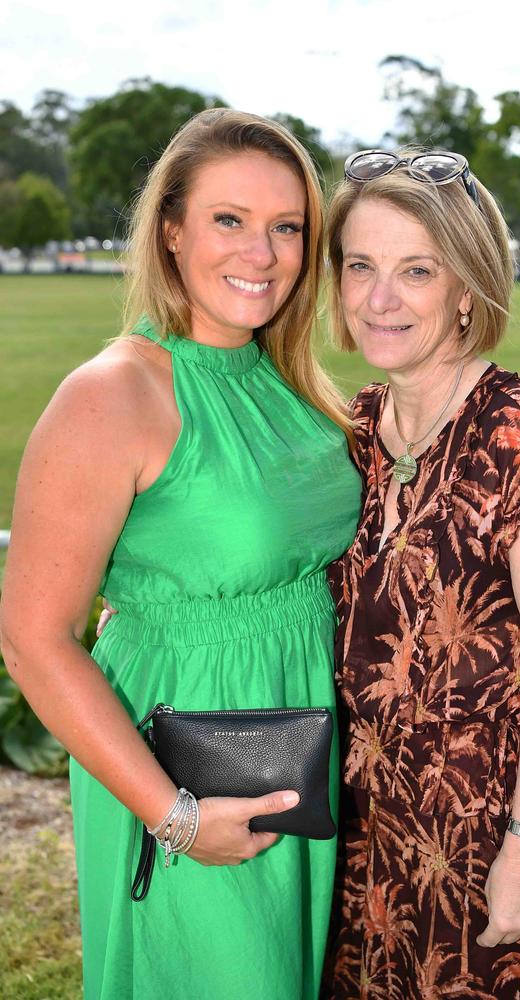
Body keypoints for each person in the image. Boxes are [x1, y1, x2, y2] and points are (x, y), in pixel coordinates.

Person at [0, 109, 361, 1000]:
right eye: (229, 220)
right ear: (170, 233)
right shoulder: (112, 394)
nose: (263, 252)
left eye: (287, 227)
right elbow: (32, 640)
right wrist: (176, 816)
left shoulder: (291, 387)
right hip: (191, 770)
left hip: (300, 753)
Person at [320, 149, 520, 998]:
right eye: (361, 266)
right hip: (352, 837)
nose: (381, 298)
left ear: (466, 288)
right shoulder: (353, 431)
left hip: (476, 844)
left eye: (416, 270)